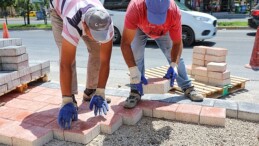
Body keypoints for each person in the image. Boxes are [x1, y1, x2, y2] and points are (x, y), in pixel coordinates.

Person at [121, 0, 204, 109]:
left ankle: (187, 87)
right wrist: (134, 71)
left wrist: (174, 65)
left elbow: (177, 43)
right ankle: (135, 91)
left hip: (164, 31)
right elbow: (125, 44)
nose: (155, 23)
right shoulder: (135, 8)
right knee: (136, 54)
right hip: (139, 28)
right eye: (153, 17)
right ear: (146, 7)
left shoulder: (174, 11)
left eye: (159, 17)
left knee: (174, 56)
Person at [49, 0, 114, 129]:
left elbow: (105, 61)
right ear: (84, 25)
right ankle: (70, 99)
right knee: (67, 56)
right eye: (94, 34)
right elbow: (65, 64)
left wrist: (101, 91)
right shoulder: (72, 21)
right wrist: (66, 100)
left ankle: (91, 91)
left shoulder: (106, 22)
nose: (97, 38)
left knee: (97, 51)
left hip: (82, 9)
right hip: (60, 13)